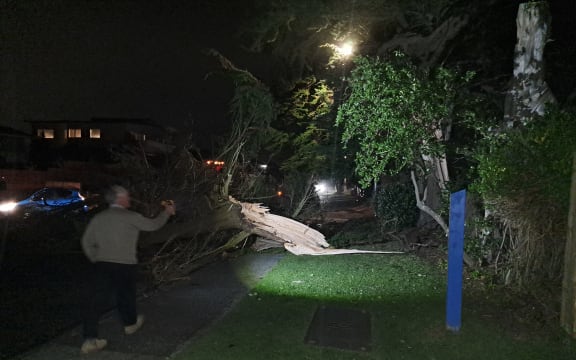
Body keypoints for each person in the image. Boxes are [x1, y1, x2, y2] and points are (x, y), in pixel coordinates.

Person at [80, 185, 176, 354]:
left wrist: (96, 258)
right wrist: (167, 213)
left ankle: (90, 339)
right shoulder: (130, 216)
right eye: (126, 196)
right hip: (125, 265)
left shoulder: (99, 218)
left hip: (103, 265)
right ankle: (130, 324)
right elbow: (153, 225)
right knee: (126, 295)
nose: (129, 199)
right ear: (119, 199)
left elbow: (86, 241)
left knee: (95, 302)